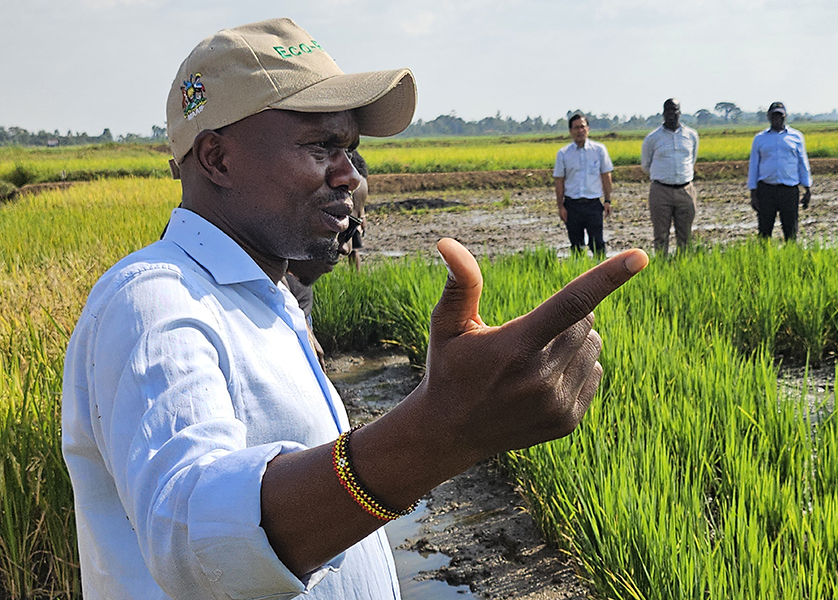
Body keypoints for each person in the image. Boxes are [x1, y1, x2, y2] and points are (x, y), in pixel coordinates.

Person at [60, 17, 649, 600]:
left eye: (351, 149)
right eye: (321, 146)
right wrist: (440, 429)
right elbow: (193, 540)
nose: (350, 175)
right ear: (216, 159)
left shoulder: (266, 298)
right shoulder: (154, 301)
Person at [640, 98, 699, 255]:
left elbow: (692, 159)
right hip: (661, 191)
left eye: (675, 110)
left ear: (680, 112)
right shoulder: (652, 138)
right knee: (660, 235)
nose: (672, 114)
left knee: (685, 235)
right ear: (663, 113)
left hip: (685, 190)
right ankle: (662, 268)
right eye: (668, 110)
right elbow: (646, 164)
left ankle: (684, 267)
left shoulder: (691, 135)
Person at [747, 102, 812, 241]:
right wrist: (753, 192)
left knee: (791, 231)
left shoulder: (796, 137)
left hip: (789, 190)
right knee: (764, 231)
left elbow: (803, 163)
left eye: (780, 116)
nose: (777, 119)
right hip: (766, 189)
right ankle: (763, 259)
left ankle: (791, 258)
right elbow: (753, 166)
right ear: (768, 117)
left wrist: (807, 188)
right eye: (774, 115)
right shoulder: (760, 139)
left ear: (785, 117)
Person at [553, 113, 614, 257]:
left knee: (598, 244)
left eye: (582, 127)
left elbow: (606, 175)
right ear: (570, 131)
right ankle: (580, 275)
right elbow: (559, 180)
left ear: (588, 129)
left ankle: (601, 276)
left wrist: (607, 200)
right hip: (572, 206)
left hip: (593, 205)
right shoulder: (563, 154)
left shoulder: (599, 150)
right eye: (576, 128)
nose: (580, 130)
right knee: (576, 246)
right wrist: (560, 206)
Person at [346, 150, 368, 270]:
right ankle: (356, 277)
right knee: (353, 250)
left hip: (348, 213)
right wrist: (362, 216)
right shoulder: (360, 177)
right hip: (354, 216)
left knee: (352, 249)